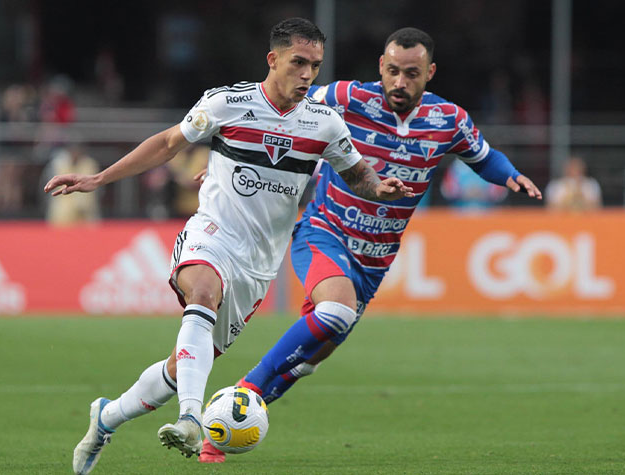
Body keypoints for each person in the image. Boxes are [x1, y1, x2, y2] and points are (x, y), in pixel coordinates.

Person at [44, 18, 413, 475]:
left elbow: (358, 174)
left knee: (181, 368)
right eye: (298, 62)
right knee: (202, 293)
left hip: (258, 265)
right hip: (212, 234)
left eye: (315, 66)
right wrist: (98, 178)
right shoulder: (228, 103)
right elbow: (166, 144)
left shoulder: (323, 124)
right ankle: (192, 417)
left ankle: (107, 417)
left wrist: (381, 189)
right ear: (272, 60)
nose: (307, 75)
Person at [199, 27, 542, 463]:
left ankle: (221, 432)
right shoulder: (344, 98)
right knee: (335, 311)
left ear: (430, 73)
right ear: (381, 66)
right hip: (324, 230)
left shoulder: (448, 120)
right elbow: (280, 110)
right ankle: (246, 389)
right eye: (393, 71)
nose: (400, 82)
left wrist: (509, 174)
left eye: (412, 74)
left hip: (375, 259)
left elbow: (483, 156)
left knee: (308, 359)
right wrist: (232, 156)